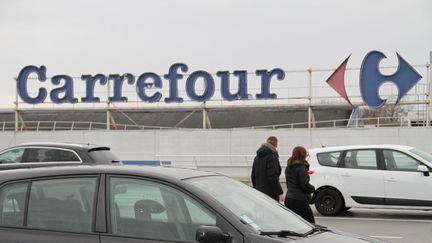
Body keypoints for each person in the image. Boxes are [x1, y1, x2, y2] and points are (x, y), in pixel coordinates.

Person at [284, 146, 315, 223]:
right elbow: (304, 185)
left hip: (289, 199)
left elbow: (288, 184)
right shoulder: (301, 168)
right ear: (303, 155)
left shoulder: (288, 167)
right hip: (299, 201)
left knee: (293, 223)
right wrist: (313, 188)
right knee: (310, 224)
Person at [251, 136, 284, 202]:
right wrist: (280, 192)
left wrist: (256, 189)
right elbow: (273, 177)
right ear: (276, 145)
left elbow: (253, 176)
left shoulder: (257, 157)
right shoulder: (272, 157)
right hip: (270, 194)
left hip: (259, 192)